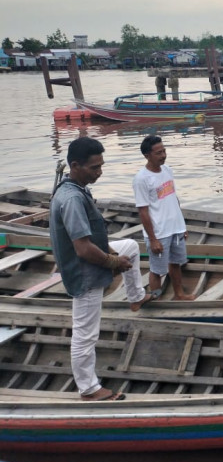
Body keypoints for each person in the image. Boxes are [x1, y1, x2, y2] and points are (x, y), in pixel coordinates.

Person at [50, 137, 158, 402]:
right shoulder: (72, 199)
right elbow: (83, 249)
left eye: (101, 166)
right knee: (86, 334)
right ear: (75, 165)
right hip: (83, 273)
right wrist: (113, 262)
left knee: (130, 246)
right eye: (94, 168)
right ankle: (88, 388)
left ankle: (135, 297)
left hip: (90, 259)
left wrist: (114, 254)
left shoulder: (77, 186)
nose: (99, 172)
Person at [133, 135, 195, 300]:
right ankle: (156, 298)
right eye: (158, 153)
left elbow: (173, 199)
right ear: (147, 155)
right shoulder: (141, 179)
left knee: (176, 263)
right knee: (157, 270)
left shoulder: (167, 170)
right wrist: (153, 239)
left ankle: (179, 294)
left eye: (164, 151)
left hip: (175, 228)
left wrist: (182, 226)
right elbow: (143, 211)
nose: (163, 155)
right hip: (159, 232)